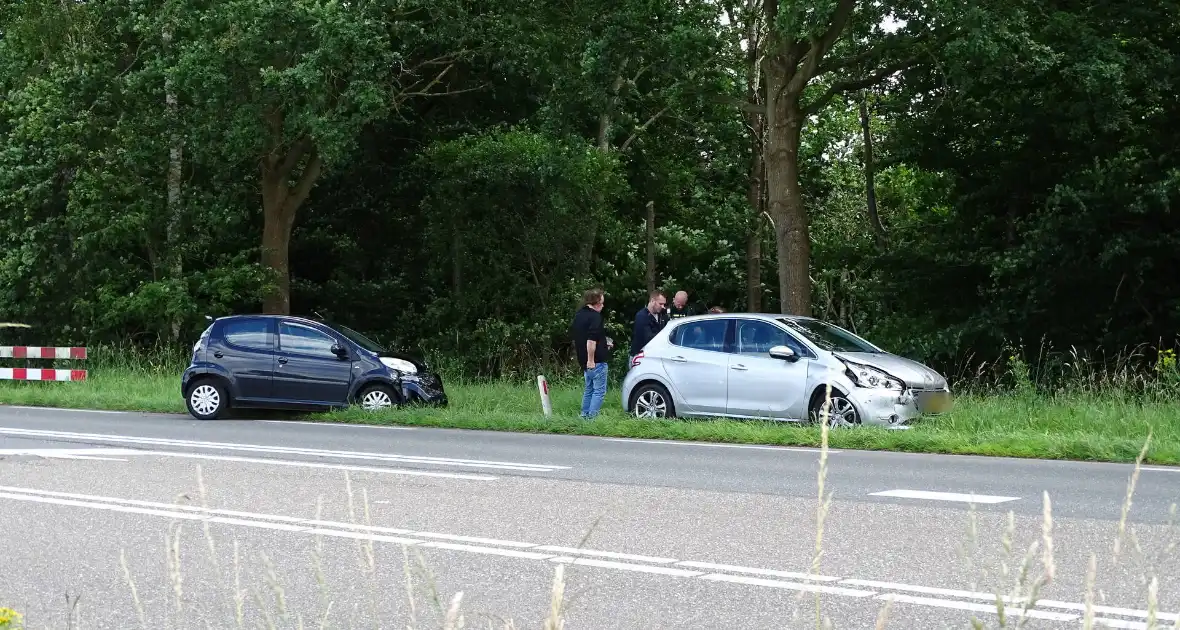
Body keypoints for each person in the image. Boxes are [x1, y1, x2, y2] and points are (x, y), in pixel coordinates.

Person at [570, 287, 610, 418]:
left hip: (583, 360)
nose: (603, 306)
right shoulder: (595, 317)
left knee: (589, 390)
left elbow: (581, 337)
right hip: (595, 362)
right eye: (602, 303)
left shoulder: (579, 315)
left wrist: (604, 343)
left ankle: (584, 415)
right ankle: (592, 418)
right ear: (597, 302)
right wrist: (591, 360)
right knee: (599, 391)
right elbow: (591, 341)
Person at [630, 290, 666, 366]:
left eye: (664, 304)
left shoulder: (662, 315)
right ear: (653, 301)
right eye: (660, 304)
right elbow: (648, 338)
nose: (663, 307)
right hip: (640, 358)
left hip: (653, 356)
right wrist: (666, 335)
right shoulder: (642, 316)